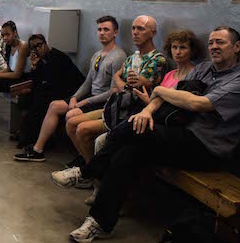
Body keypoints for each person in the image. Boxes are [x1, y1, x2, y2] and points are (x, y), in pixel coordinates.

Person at [52, 26, 240, 243]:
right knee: (127, 153)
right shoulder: (204, 69)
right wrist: (147, 111)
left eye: (221, 42)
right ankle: (99, 222)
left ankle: (87, 171)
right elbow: (171, 95)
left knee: (131, 129)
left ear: (236, 47)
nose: (214, 47)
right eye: (211, 42)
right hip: (179, 136)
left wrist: (159, 91)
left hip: (207, 148)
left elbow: (199, 104)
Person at [14, 16, 126, 162]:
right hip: (89, 97)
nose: (102, 33)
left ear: (115, 33)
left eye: (106, 29)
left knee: (70, 115)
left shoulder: (118, 56)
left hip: (103, 102)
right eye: (99, 29)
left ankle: (84, 157)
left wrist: (83, 103)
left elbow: (112, 91)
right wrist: (74, 97)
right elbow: (88, 82)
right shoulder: (98, 55)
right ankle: (38, 150)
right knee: (54, 105)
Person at [65, 15, 166, 166]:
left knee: (82, 129)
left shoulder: (157, 59)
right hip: (118, 104)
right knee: (71, 123)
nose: (135, 32)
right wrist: (123, 82)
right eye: (133, 28)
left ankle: (91, 171)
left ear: (152, 33)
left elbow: (137, 84)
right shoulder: (132, 57)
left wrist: (122, 81)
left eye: (141, 29)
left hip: (133, 110)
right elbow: (118, 84)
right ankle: (89, 166)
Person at [10, 34, 85, 148]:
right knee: (27, 98)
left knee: (40, 99)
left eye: (38, 46)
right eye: (33, 48)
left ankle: (30, 137)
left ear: (45, 44)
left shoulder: (57, 57)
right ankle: (26, 132)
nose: (36, 49)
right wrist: (34, 66)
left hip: (72, 90)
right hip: (56, 88)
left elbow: (53, 81)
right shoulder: (41, 59)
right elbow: (37, 81)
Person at [0, 21, 30, 136]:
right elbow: (9, 69)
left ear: (15, 33)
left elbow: (17, 74)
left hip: (23, 80)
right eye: (3, 35)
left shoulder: (22, 46)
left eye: (7, 34)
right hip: (13, 77)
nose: (5, 38)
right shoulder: (9, 46)